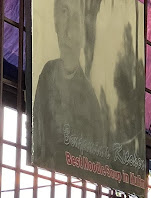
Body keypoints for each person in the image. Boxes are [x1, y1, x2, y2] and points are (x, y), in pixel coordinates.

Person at [32, 0, 106, 169]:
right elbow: (38, 138)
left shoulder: (91, 102)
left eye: (77, 19)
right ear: (55, 20)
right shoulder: (48, 73)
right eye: (64, 12)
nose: (69, 32)